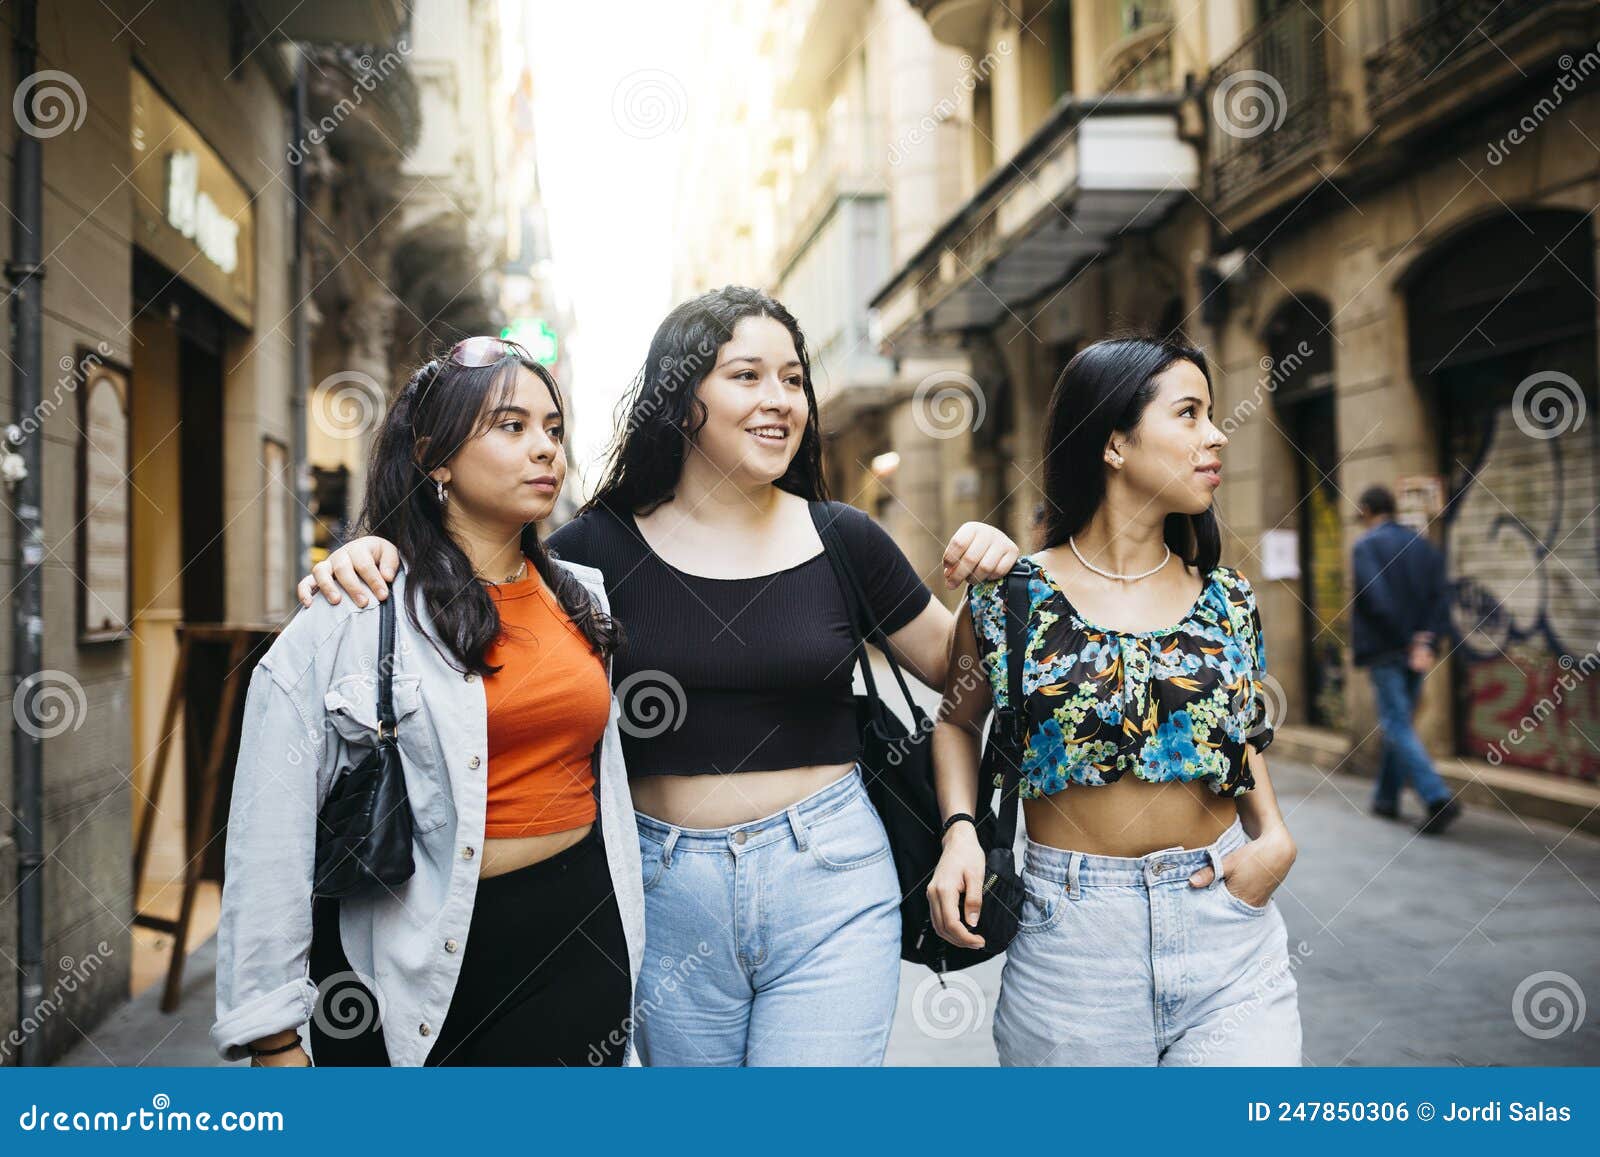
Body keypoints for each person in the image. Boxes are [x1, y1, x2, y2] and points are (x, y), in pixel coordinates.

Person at [297, 286, 1022, 1066]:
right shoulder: (590, 552)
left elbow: (961, 682)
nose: (779, 399)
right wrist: (377, 555)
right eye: (746, 376)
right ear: (683, 401)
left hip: (834, 878)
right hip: (661, 887)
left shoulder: (843, 537)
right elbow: (474, 580)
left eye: (792, 378)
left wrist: (989, 581)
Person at [212, 338, 645, 1067]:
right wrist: (273, 1034)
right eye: (511, 427)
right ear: (435, 457)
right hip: (417, 963)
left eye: (553, 429)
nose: (545, 449)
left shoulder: (584, 598)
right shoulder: (352, 612)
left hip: (582, 939)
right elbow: (270, 835)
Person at [929, 336, 1302, 1066]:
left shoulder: (1227, 596)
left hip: (1229, 925)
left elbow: (1236, 733)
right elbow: (956, 720)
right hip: (1072, 942)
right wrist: (961, 832)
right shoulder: (1012, 596)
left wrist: (1275, 838)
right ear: (1115, 444)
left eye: (1213, 414)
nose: (1216, 434)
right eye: (1189, 414)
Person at [1352, 484, 1462, 834]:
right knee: (1397, 722)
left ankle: (1436, 797)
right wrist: (1426, 641)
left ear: (1368, 510)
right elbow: (1441, 599)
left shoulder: (1366, 545)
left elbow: (1378, 599)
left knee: (1396, 723)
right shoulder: (1424, 547)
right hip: (1418, 649)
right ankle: (1386, 798)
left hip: (1389, 649)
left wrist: (1407, 641)